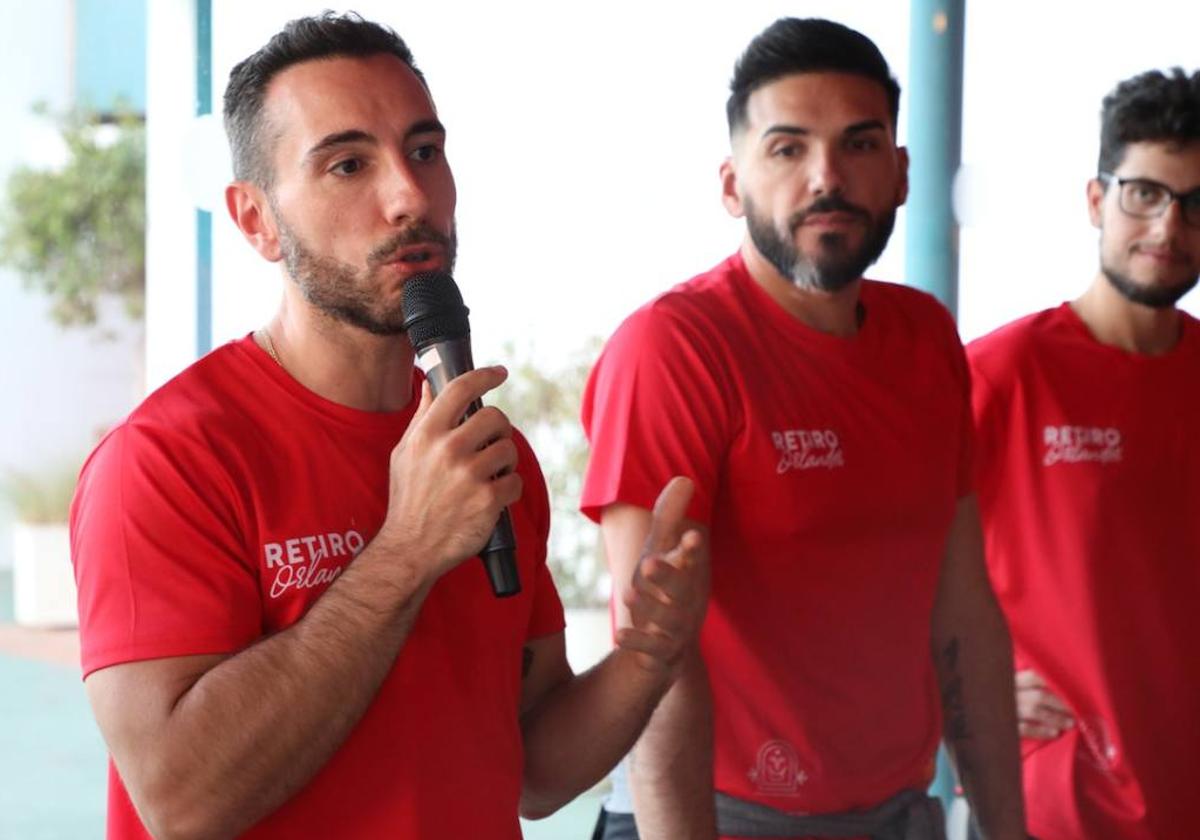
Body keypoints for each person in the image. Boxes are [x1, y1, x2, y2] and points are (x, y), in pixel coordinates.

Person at [69, 13, 707, 840]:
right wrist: (405, 553)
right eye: (347, 164)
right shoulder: (166, 461)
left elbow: (536, 772)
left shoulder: (486, 450)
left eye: (424, 151)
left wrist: (648, 657)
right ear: (256, 219)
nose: (409, 195)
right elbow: (183, 803)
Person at [582, 17, 1027, 840]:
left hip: (901, 813)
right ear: (731, 184)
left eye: (859, 146)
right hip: (712, 814)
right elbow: (655, 656)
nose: (827, 177)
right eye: (787, 149)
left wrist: (1008, 827)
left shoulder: (927, 339)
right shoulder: (675, 347)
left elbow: (962, 608)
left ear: (900, 174)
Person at [967, 67, 1200, 840]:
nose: (1169, 227)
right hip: (1054, 810)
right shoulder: (1000, 376)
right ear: (1097, 200)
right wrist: (963, 685)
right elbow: (882, 562)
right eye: (1146, 194)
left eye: (1196, 204)